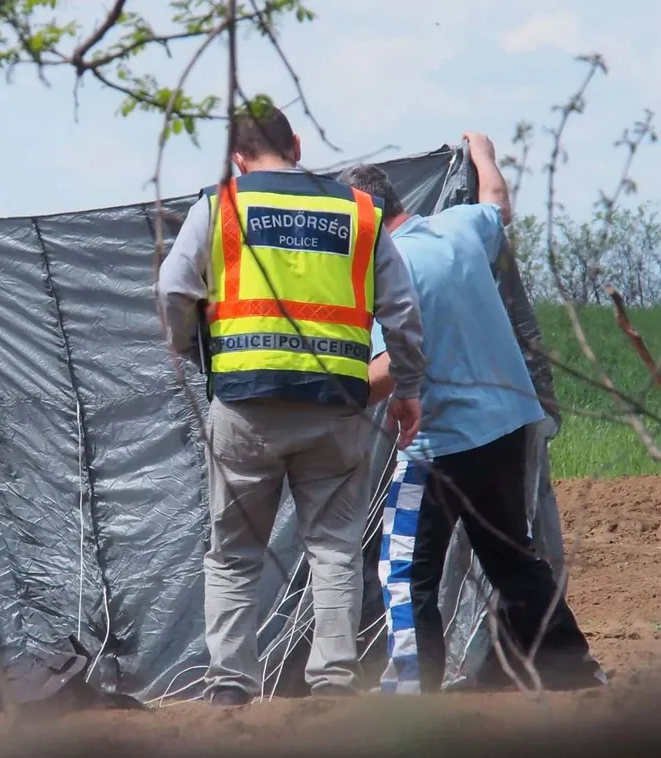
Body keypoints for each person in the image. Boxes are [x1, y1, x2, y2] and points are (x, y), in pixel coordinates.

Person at [156, 105, 426, 706]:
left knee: (234, 554)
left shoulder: (220, 206)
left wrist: (196, 352)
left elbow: (173, 287)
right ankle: (333, 683)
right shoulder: (361, 212)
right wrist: (407, 388)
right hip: (336, 406)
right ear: (297, 145)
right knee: (333, 548)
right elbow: (403, 312)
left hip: (245, 404)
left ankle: (231, 688)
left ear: (238, 159)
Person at [340, 132, 606, 695]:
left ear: (363, 218)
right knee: (512, 556)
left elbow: (389, 367)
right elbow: (498, 204)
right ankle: (575, 672)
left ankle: (413, 688)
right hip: (508, 425)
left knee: (405, 566)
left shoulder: (387, 269)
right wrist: (483, 150)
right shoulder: (458, 227)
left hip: (441, 444)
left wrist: (331, 400)